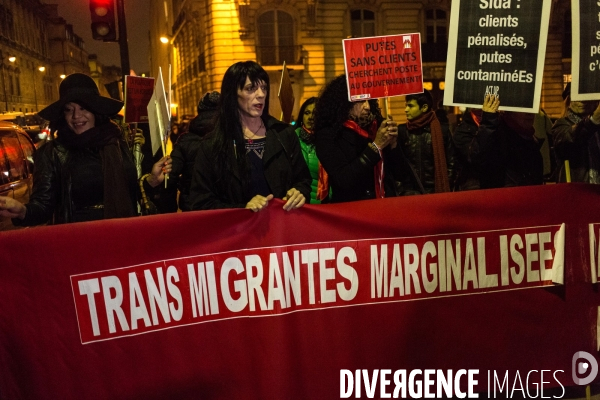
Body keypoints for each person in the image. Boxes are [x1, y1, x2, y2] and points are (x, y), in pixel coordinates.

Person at [0, 73, 171, 225]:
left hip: (123, 236)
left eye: (83, 108)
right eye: (69, 110)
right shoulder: (53, 153)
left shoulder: (118, 143)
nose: (76, 116)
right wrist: (23, 211)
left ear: (95, 111)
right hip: (79, 243)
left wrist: (151, 181)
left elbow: (132, 193)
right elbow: (43, 205)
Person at [188, 61, 311, 211]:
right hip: (238, 232)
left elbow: (303, 180)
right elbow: (200, 201)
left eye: (264, 88)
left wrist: (299, 193)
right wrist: (242, 209)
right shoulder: (212, 144)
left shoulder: (283, 134)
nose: (261, 95)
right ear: (232, 94)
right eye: (251, 88)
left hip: (281, 228)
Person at [313, 74, 399, 203]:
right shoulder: (327, 135)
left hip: (384, 206)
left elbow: (399, 174)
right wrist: (376, 146)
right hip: (352, 210)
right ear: (343, 102)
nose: (367, 107)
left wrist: (393, 145)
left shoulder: (376, 127)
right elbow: (344, 179)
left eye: (369, 100)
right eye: (360, 101)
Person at [453, 94, 543, 189]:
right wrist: (489, 121)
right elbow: (477, 159)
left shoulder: (506, 130)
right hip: (481, 196)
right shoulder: (463, 131)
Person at [168, 91, 220, 211]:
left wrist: (169, 207)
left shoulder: (185, 140)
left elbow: (171, 175)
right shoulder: (230, 138)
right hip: (222, 206)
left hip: (192, 205)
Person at [397, 90, 455, 195]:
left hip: (435, 193)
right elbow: (396, 164)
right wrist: (402, 190)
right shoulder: (402, 131)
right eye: (406, 106)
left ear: (424, 108)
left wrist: (445, 185)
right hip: (409, 194)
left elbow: (451, 164)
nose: (406, 110)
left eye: (410, 106)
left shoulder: (442, 131)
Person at [551, 83, 600, 183]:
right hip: (576, 191)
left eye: (586, 96)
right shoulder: (561, 125)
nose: (582, 100)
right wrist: (593, 121)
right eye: (577, 96)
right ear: (568, 101)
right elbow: (570, 139)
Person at [294, 96, 330, 204]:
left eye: (315, 113)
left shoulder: (328, 141)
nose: (310, 117)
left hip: (323, 205)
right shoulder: (292, 139)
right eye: (307, 113)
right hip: (299, 204)